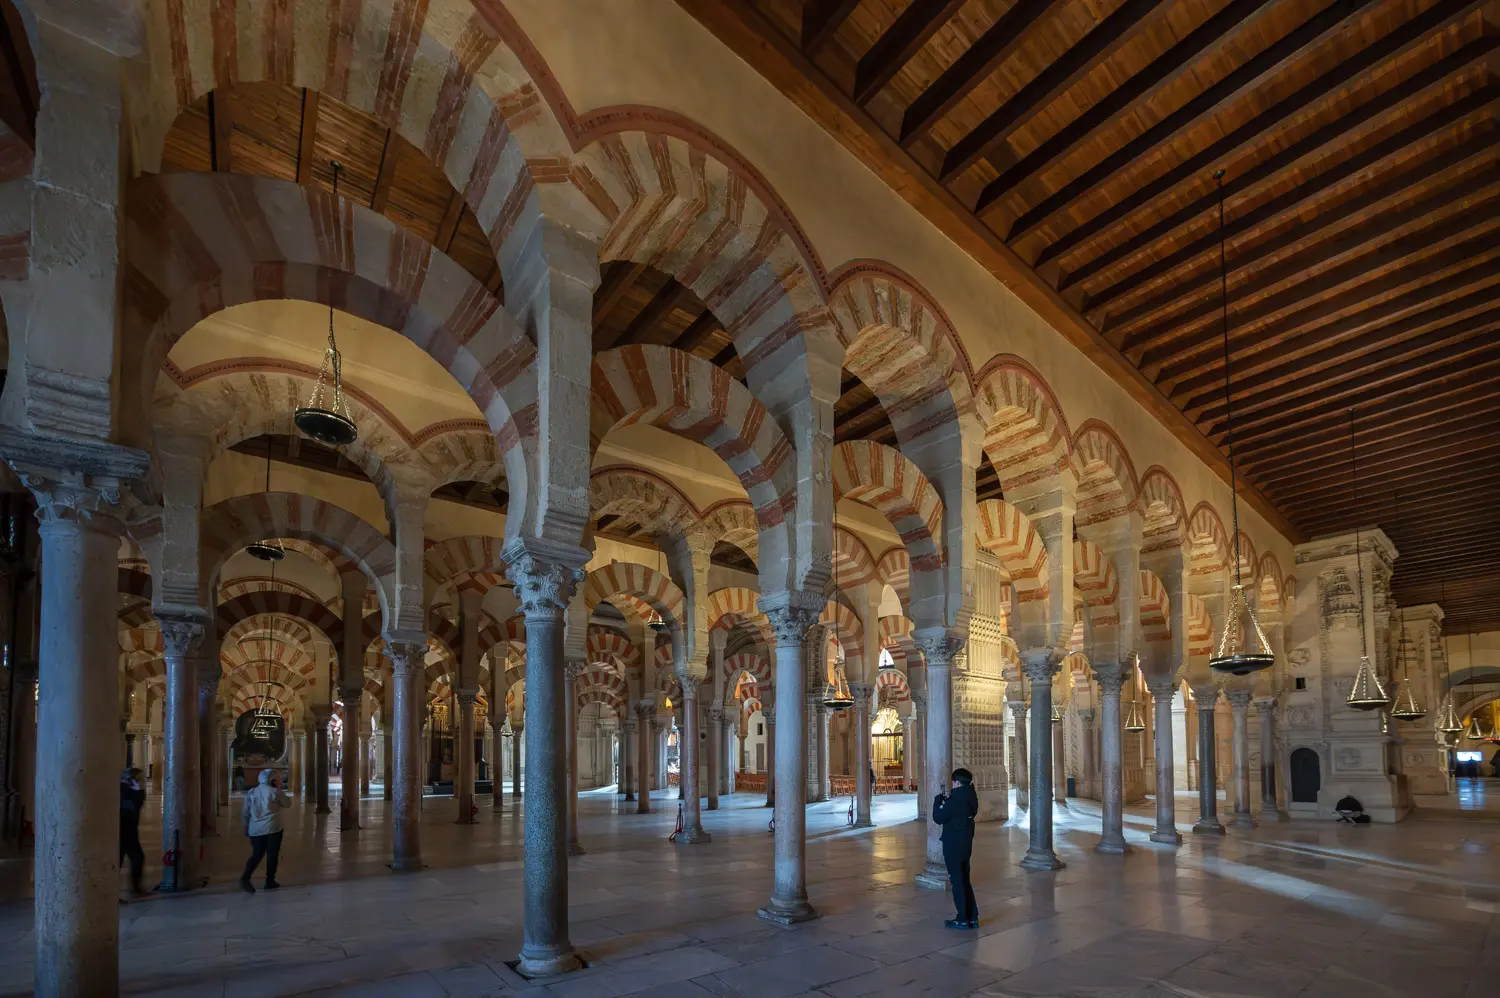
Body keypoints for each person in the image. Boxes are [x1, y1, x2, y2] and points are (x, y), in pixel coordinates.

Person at [933, 767, 979, 929]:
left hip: (953, 844)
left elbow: (938, 818)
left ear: (957, 782)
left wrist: (937, 801)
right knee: (965, 879)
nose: (952, 784)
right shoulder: (971, 796)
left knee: (957, 881)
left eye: (953, 781)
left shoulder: (955, 799)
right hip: (966, 842)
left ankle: (962, 918)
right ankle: (972, 917)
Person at [240, 769, 291, 893]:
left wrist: (246, 827)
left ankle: (245, 878)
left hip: (256, 830)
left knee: (257, 855)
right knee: (272, 855)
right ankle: (270, 881)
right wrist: (278, 788)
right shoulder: (275, 792)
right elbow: (287, 803)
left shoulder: (252, 792)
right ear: (273, 780)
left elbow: (245, 813)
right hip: (273, 829)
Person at [119, 768, 147, 896]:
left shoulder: (135, 792)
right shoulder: (121, 789)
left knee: (137, 859)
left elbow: (139, 802)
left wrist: (137, 789)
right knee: (116, 862)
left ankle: (136, 887)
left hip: (130, 832)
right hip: (120, 832)